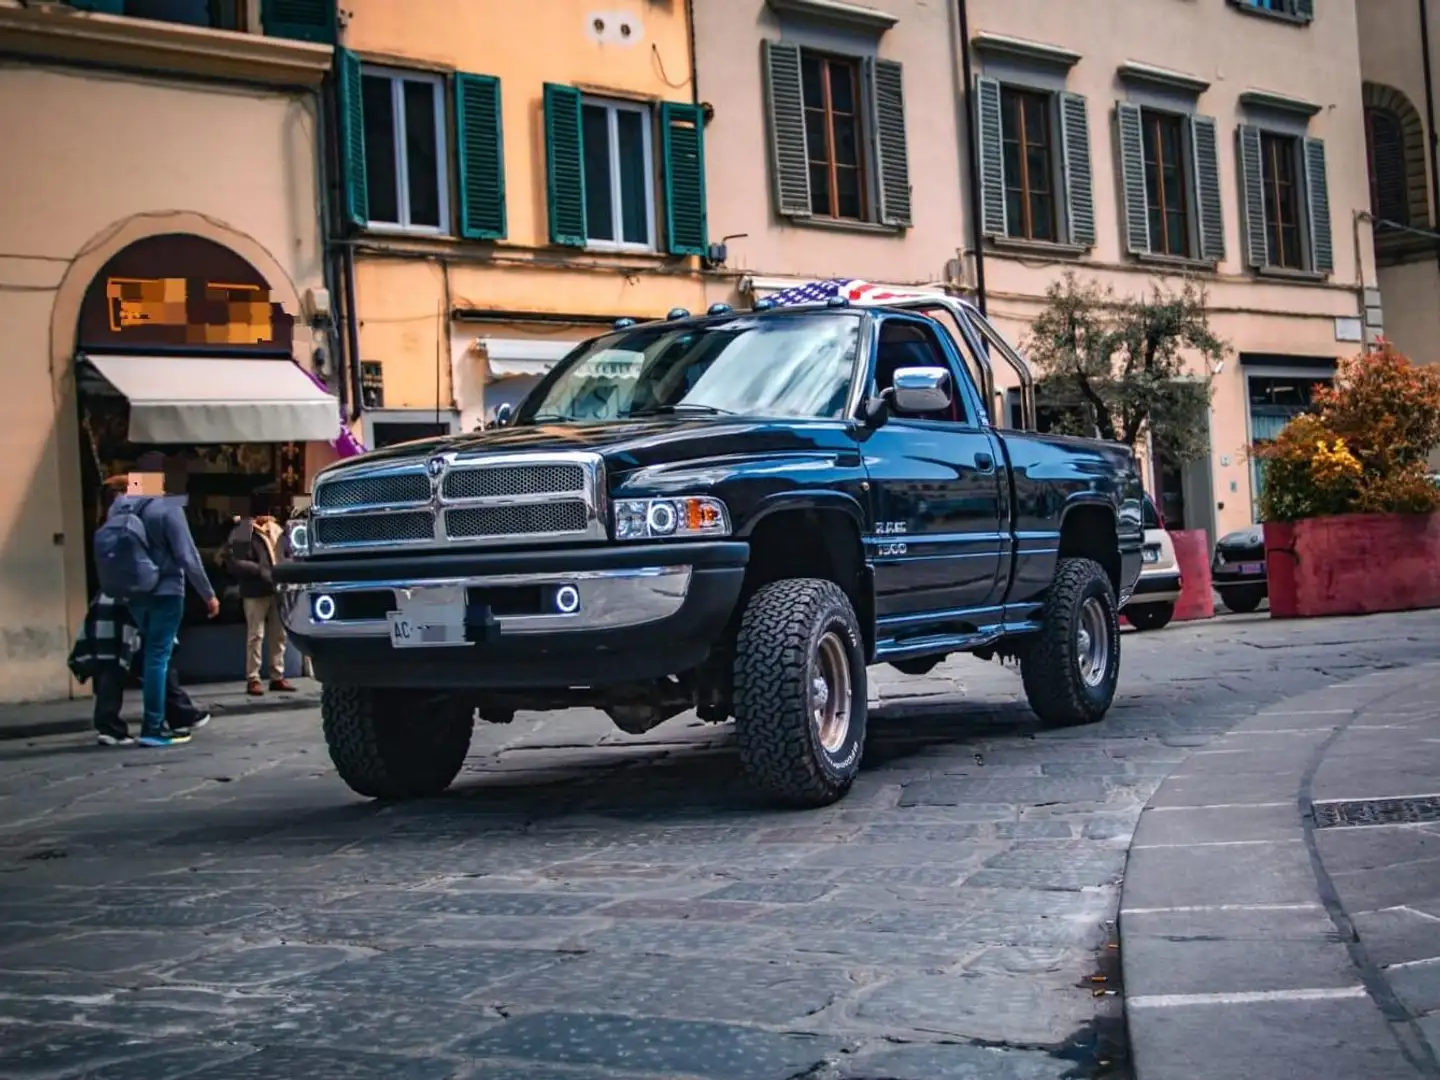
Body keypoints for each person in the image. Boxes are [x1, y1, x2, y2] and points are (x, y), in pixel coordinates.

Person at [99, 451, 219, 747]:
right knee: (157, 657)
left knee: (152, 655)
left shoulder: (120, 507)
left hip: (135, 592)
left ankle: (158, 721)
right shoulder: (168, 507)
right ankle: (153, 727)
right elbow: (187, 557)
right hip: (165, 591)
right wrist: (208, 594)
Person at [68, 590, 210, 746]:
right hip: (135, 599)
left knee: (110, 663)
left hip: (107, 599)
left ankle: (109, 726)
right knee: (154, 661)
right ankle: (176, 714)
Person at [221, 500, 295, 696]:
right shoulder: (244, 530)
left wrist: (284, 569)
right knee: (256, 635)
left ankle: (277, 675)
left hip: (278, 588)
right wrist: (261, 571)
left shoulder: (277, 529)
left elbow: (288, 553)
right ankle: (253, 677)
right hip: (255, 588)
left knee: (279, 634)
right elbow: (234, 562)